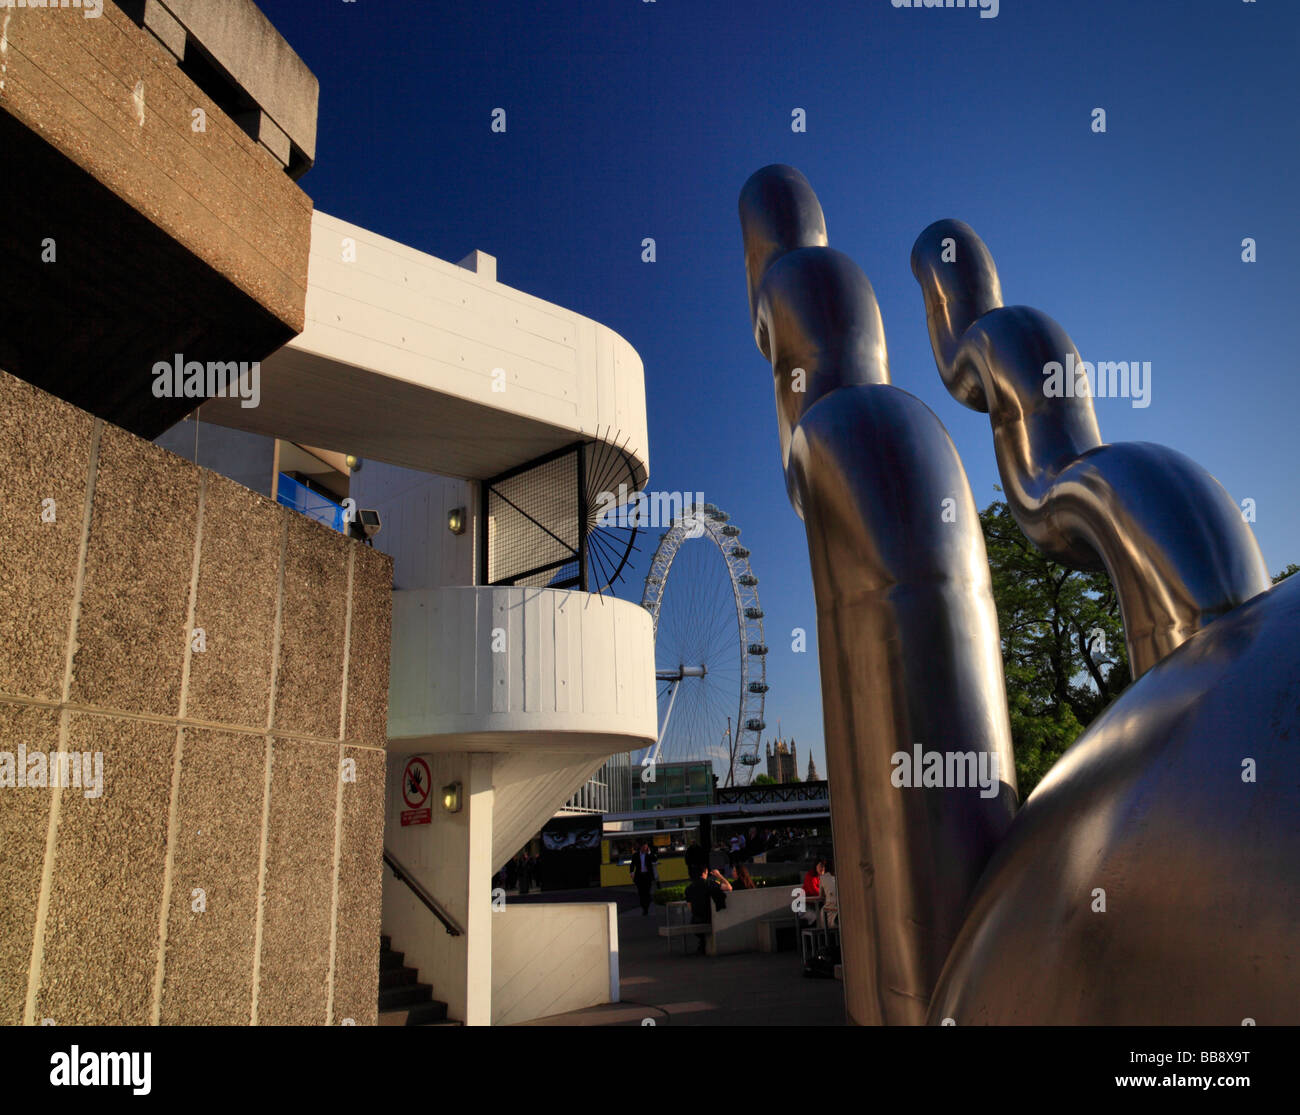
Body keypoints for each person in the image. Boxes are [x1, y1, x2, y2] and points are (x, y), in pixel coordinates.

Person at [683, 863, 732, 955]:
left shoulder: (689, 888)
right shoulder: (709, 883)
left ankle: (702, 945)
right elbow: (729, 887)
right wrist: (718, 875)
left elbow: (690, 907)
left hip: (695, 920)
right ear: (705, 871)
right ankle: (704, 946)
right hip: (709, 918)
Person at [629, 840, 658, 916]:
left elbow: (655, 859)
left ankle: (646, 907)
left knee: (647, 892)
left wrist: (649, 853)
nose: (645, 848)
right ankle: (644, 907)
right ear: (641, 847)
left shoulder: (649, 855)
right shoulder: (635, 855)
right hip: (639, 876)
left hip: (647, 876)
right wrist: (631, 872)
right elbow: (632, 864)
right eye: (643, 847)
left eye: (646, 847)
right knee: (641, 893)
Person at [819, 860, 839, 929]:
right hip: (841, 912)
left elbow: (821, 896)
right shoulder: (843, 876)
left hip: (829, 912)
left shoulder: (823, 878)